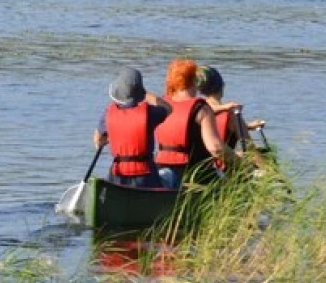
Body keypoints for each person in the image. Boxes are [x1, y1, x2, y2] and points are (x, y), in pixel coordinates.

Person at [154, 58, 238, 188]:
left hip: (162, 168)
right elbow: (216, 148)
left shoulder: (161, 107)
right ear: (194, 81)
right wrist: (239, 162)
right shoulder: (201, 109)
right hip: (197, 174)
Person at [93, 66, 172, 190]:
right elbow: (168, 108)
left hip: (117, 176)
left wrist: (114, 135)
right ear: (139, 93)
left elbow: (98, 142)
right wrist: (147, 95)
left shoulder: (108, 113)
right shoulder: (150, 113)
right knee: (170, 174)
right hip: (146, 177)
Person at [196, 65, 266, 155]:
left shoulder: (197, 110)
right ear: (222, 85)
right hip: (223, 165)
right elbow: (250, 149)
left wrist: (247, 126)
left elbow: (211, 127)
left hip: (200, 163)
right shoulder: (231, 115)